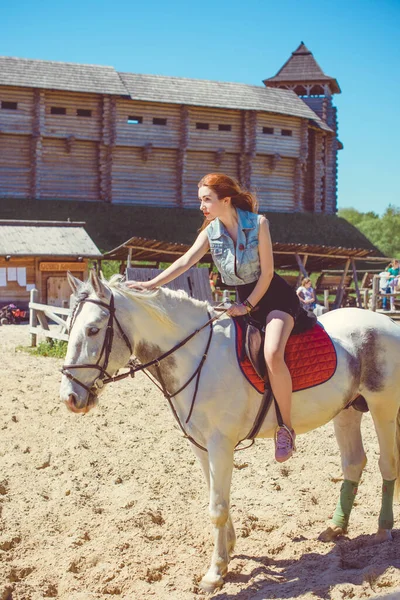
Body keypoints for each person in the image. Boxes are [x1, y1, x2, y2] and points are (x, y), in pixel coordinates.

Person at [127, 173, 313, 462]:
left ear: (225, 199)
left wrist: (248, 306)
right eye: (201, 199)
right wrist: (151, 285)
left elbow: (266, 273)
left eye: (206, 199)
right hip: (243, 301)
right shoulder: (210, 232)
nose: (202, 205)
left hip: (274, 299)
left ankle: (285, 428)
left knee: (273, 352)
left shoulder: (259, 224)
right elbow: (185, 261)